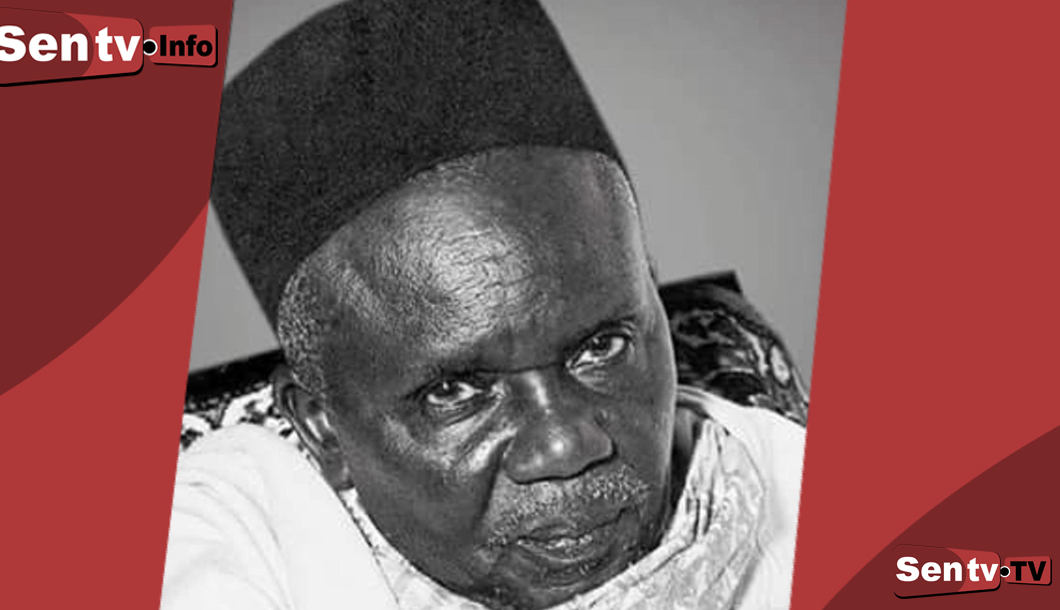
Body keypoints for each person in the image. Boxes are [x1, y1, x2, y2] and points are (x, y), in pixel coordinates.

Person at [162, 1, 805, 609]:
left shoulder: (790, 492)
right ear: (321, 425)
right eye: (454, 392)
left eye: (601, 347)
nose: (565, 446)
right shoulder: (223, 545)